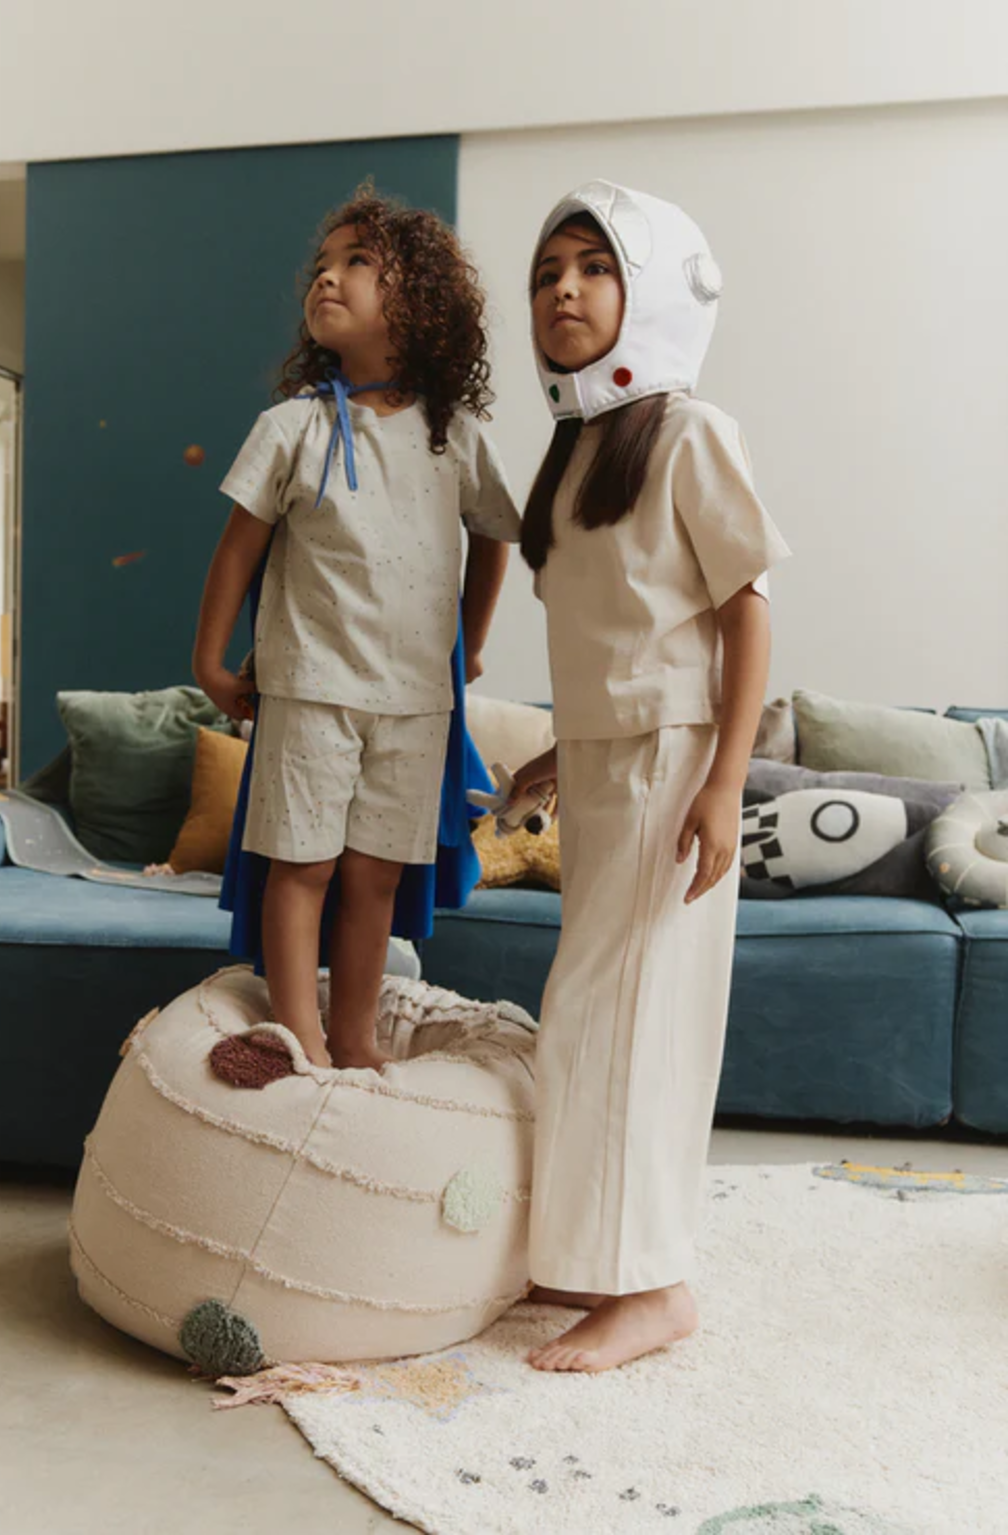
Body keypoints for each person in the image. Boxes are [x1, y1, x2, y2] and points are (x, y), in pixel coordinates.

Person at [511, 180, 792, 1372]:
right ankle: (597, 1257)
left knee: (628, 1017)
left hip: (672, 769)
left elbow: (746, 613)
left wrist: (724, 781)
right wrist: (557, 748)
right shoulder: (575, 453)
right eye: (546, 274)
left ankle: (655, 1287)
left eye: (593, 267)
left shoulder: (688, 432)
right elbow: (613, 636)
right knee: (594, 1016)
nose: (563, 290)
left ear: (652, 290)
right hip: (603, 761)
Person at [193, 186, 521, 1071]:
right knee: (302, 868)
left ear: (421, 301)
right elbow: (236, 549)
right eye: (321, 266)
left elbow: (495, 537)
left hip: (414, 702)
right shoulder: (293, 427)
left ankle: (354, 1036)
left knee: (375, 876)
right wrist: (210, 660)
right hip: (309, 688)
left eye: (357, 262)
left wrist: (471, 641)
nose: (327, 277)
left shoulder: (455, 436)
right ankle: (299, 1035)